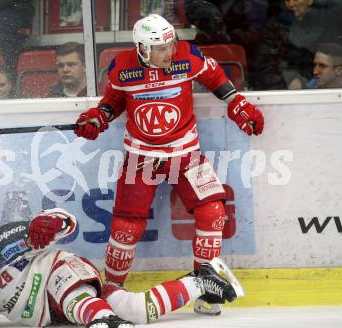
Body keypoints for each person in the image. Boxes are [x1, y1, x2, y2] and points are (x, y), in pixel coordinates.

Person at [74, 14, 263, 316]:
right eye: (160, 48)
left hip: (186, 153)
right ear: (142, 49)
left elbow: (214, 77)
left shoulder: (187, 57)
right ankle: (111, 289)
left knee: (213, 212)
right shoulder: (122, 68)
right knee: (125, 227)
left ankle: (206, 287)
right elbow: (113, 101)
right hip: (141, 157)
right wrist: (99, 117)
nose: (169, 52)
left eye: (170, 44)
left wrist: (237, 103)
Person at [0, 208, 239, 328]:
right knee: (136, 309)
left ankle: (106, 323)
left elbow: (67, 224)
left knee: (76, 299)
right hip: (55, 313)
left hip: (63, 273)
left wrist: (53, 221)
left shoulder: (9, 238)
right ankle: (201, 281)